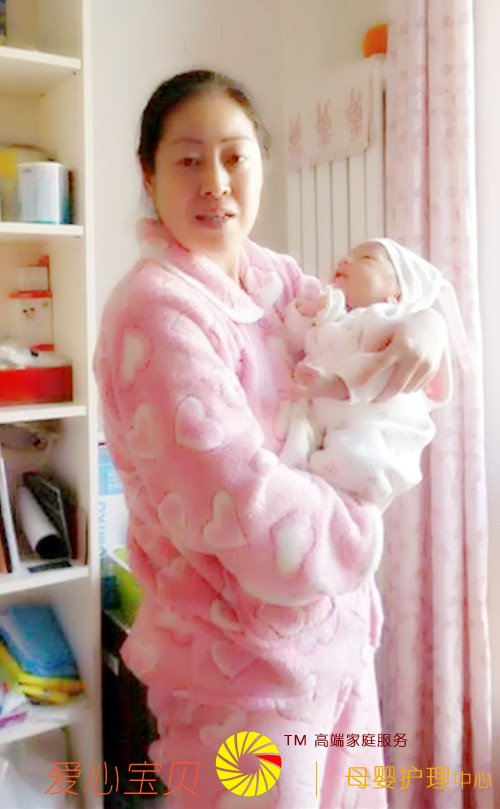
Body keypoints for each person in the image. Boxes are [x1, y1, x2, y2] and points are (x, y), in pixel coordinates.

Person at [93, 70, 448, 808]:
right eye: (188, 159)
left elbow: (366, 333)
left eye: (234, 156)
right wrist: (360, 528)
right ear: (148, 174)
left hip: (334, 650)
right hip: (240, 685)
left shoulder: (276, 280)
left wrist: (424, 323)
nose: (215, 181)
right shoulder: (154, 311)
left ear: (261, 164)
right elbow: (244, 507)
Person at [280, 238, 463, 511]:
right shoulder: (334, 316)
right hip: (331, 423)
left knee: (354, 459)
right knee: (300, 445)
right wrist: (305, 312)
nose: (344, 260)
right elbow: (292, 340)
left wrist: (335, 384)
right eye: (347, 256)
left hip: (373, 429)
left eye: (365, 259)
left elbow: (380, 368)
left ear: (397, 294)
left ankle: (356, 494)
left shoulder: (389, 318)